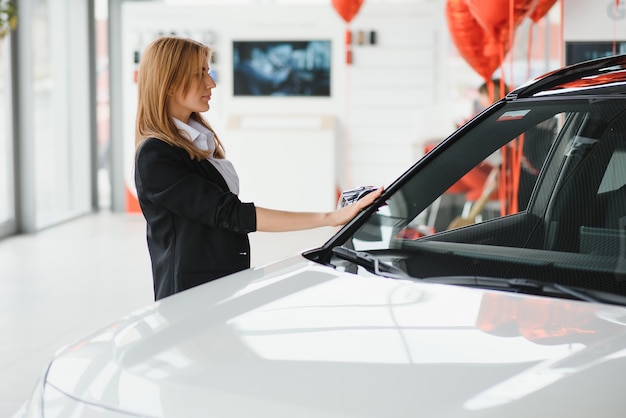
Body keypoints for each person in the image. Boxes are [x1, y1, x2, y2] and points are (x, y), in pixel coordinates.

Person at [134, 36, 383, 301]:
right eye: (199, 74)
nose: (212, 83)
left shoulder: (197, 140)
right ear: (169, 84)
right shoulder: (155, 155)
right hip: (191, 298)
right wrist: (331, 218)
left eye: (208, 71)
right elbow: (231, 214)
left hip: (220, 286)